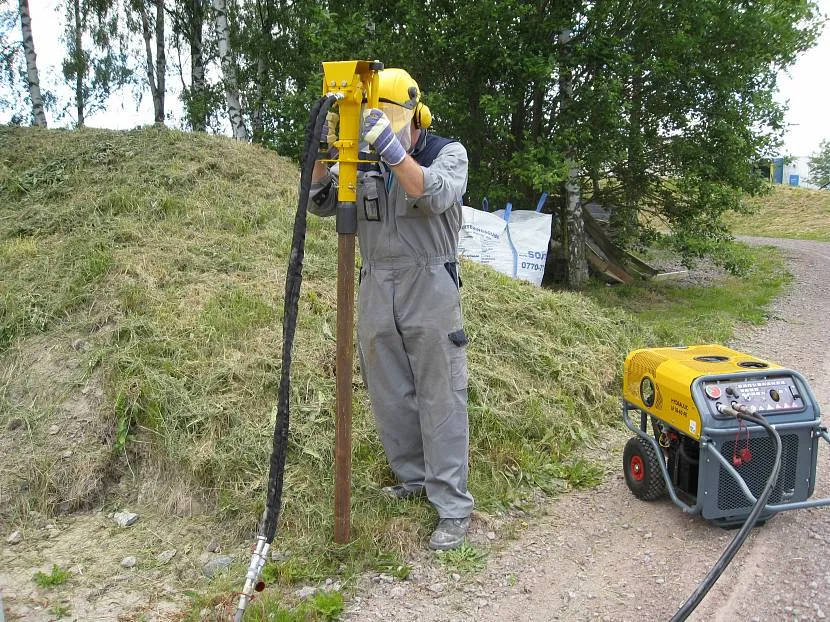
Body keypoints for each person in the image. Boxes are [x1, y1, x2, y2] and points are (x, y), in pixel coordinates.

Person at [308, 68, 473, 550]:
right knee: (390, 390)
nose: (381, 130)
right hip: (376, 280)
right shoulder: (362, 159)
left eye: (390, 120)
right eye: (373, 121)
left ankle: (452, 505)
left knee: (441, 393)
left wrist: (392, 150)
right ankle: (414, 477)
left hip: (430, 283)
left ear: (413, 116)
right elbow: (319, 200)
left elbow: (431, 191)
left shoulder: (446, 152)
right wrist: (325, 153)